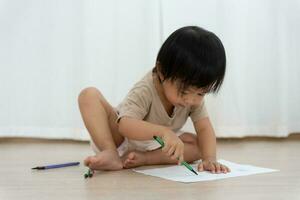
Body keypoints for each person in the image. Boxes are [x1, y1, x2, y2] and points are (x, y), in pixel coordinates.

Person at [78, 26, 230, 174]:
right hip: (119, 138)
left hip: (154, 145)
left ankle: (145, 159)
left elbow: (204, 128)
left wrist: (210, 158)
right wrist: (163, 132)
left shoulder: (192, 97)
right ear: (162, 72)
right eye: (184, 91)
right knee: (88, 95)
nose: (190, 100)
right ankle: (109, 152)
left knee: (199, 145)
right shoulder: (146, 89)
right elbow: (124, 125)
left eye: (201, 93)